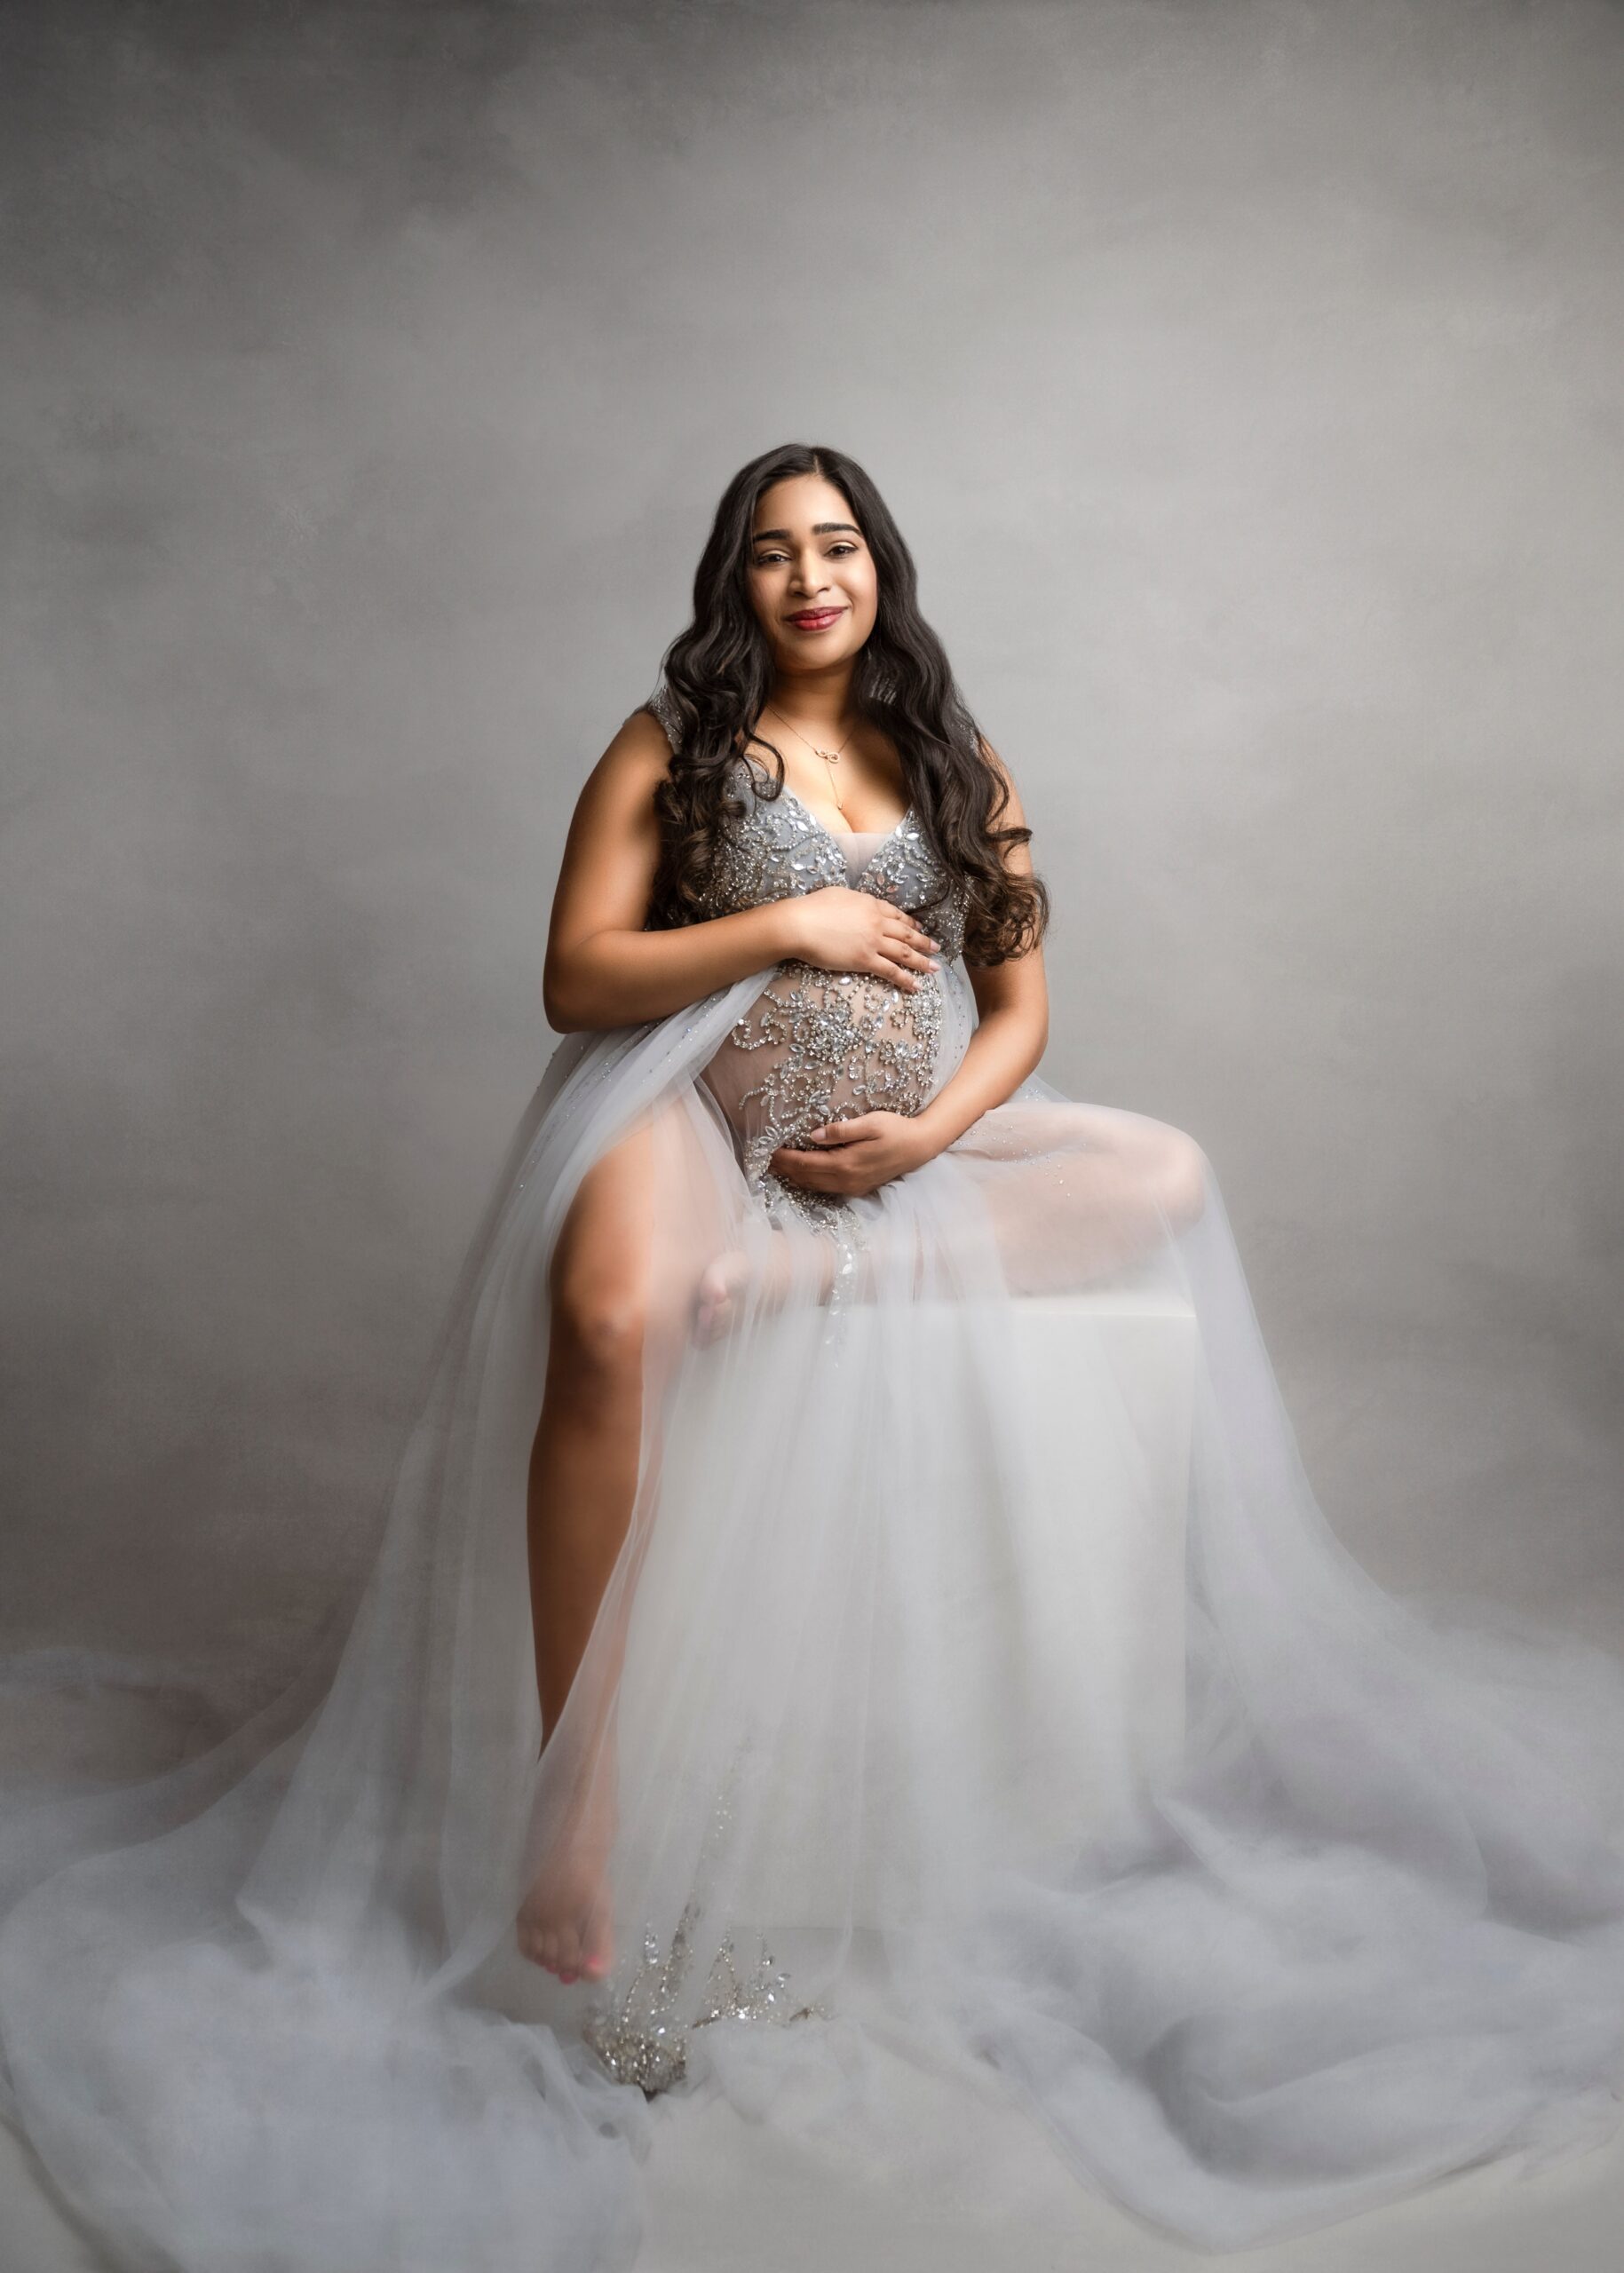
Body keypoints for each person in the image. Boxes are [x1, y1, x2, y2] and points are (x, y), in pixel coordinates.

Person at [3, 441, 1624, 2273]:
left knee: (1161, 1174)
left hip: (884, 1142)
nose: (809, 576)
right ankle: (577, 1803)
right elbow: (574, 976)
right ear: (737, 582)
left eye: (836, 543)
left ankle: (814, 1277)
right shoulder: (669, 746)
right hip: (691, 1114)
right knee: (607, 1321)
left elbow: (1017, 1010)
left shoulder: (959, 759)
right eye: (772, 551)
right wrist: (785, 920)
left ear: (880, 567)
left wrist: (930, 1136)